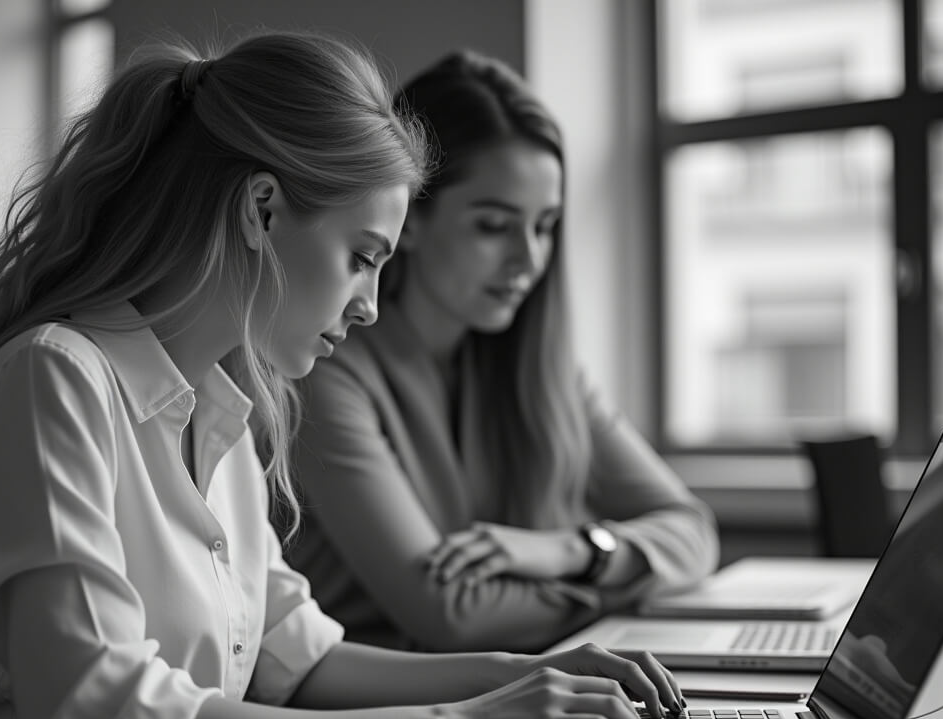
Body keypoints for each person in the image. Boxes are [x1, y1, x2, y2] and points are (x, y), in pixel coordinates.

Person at [0, 32, 685, 719]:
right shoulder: (55, 375)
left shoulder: (223, 409)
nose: (369, 305)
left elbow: (300, 662)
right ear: (262, 209)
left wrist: (527, 676)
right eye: (362, 258)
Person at [286, 50, 719, 655]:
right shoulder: (324, 371)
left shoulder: (545, 369)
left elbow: (693, 529)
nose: (528, 260)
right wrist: (624, 584)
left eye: (545, 226)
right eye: (494, 226)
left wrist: (569, 553)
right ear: (410, 218)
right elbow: (449, 614)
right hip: (386, 702)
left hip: (514, 686)